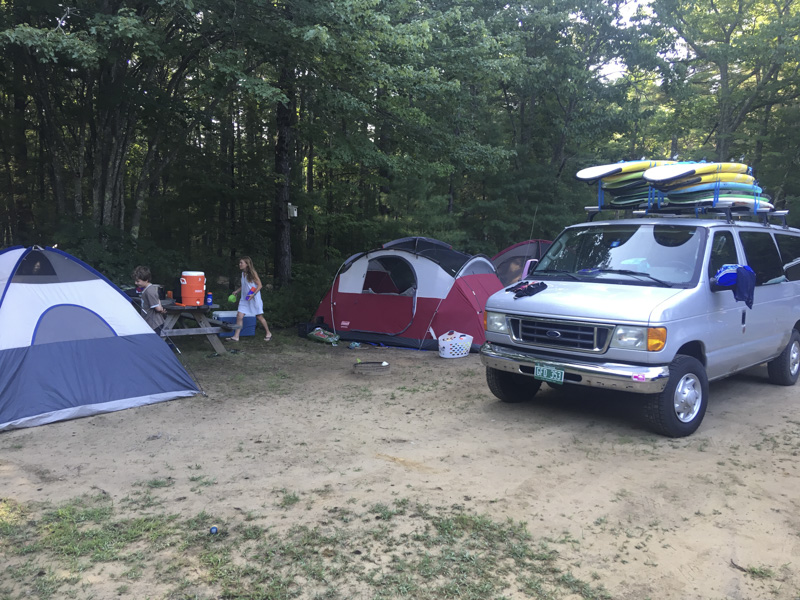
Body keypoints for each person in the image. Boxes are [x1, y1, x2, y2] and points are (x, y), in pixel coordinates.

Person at [228, 256, 272, 341]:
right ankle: (236, 336)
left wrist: (253, 295)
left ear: (247, 264)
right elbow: (245, 285)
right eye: (239, 263)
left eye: (241, 263)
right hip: (245, 299)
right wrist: (237, 291)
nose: (239, 264)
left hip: (254, 299)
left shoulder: (252, 274)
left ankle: (268, 332)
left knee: (259, 316)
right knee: (239, 316)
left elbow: (260, 285)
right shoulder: (243, 274)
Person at [133, 265, 166, 334]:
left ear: (146, 280)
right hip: (148, 322)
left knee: (154, 342)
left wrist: (161, 309)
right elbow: (157, 299)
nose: (135, 283)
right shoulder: (145, 288)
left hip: (154, 324)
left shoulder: (150, 291)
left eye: (138, 281)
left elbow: (158, 308)